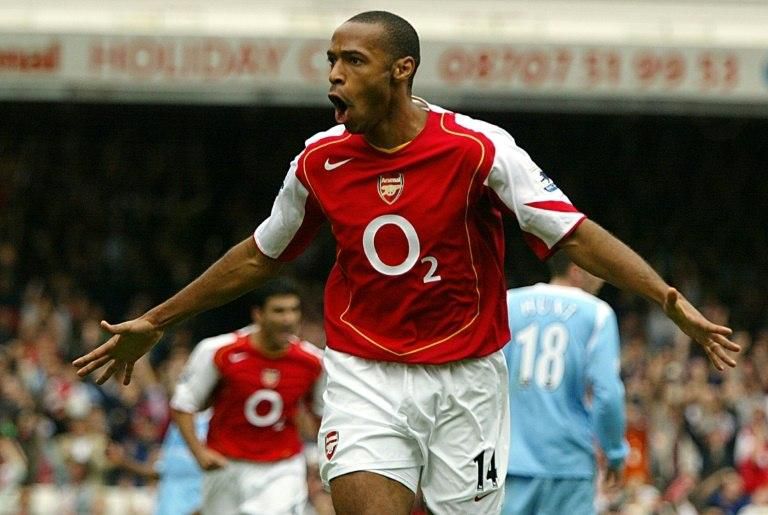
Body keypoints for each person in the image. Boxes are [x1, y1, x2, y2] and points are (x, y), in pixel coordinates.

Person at [73, 10, 740, 515]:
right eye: (330, 60)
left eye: (352, 60)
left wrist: (668, 299)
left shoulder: (477, 149)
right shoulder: (319, 161)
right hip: (365, 376)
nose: (334, 75)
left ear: (401, 70)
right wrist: (156, 320)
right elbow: (258, 255)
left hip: (468, 380)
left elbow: (572, 234)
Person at [169, 278, 324, 514]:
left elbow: (323, 415)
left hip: (282, 467)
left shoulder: (313, 361)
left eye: (294, 310)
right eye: (279, 311)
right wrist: (199, 452)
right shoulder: (218, 351)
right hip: (226, 465)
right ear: (258, 314)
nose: (288, 319)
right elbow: (183, 404)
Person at [501, 250, 628, 515]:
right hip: (569, 464)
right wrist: (614, 453)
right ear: (576, 270)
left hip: (510, 461)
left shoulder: (509, 303)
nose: (602, 277)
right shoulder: (597, 314)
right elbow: (608, 394)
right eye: (596, 268)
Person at [106, 415, 209, 515]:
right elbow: (160, 471)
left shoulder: (210, 424)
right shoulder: (176, 427)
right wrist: (123, 461)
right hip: (167, 509)